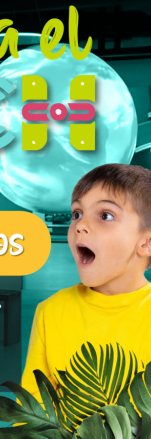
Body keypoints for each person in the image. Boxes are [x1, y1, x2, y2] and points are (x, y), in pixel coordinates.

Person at [23, 163, 151, 399]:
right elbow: (32, 403)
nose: (80, 226)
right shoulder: (49, 312)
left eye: (105, 215)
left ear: (147, 243)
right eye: (77, 214)